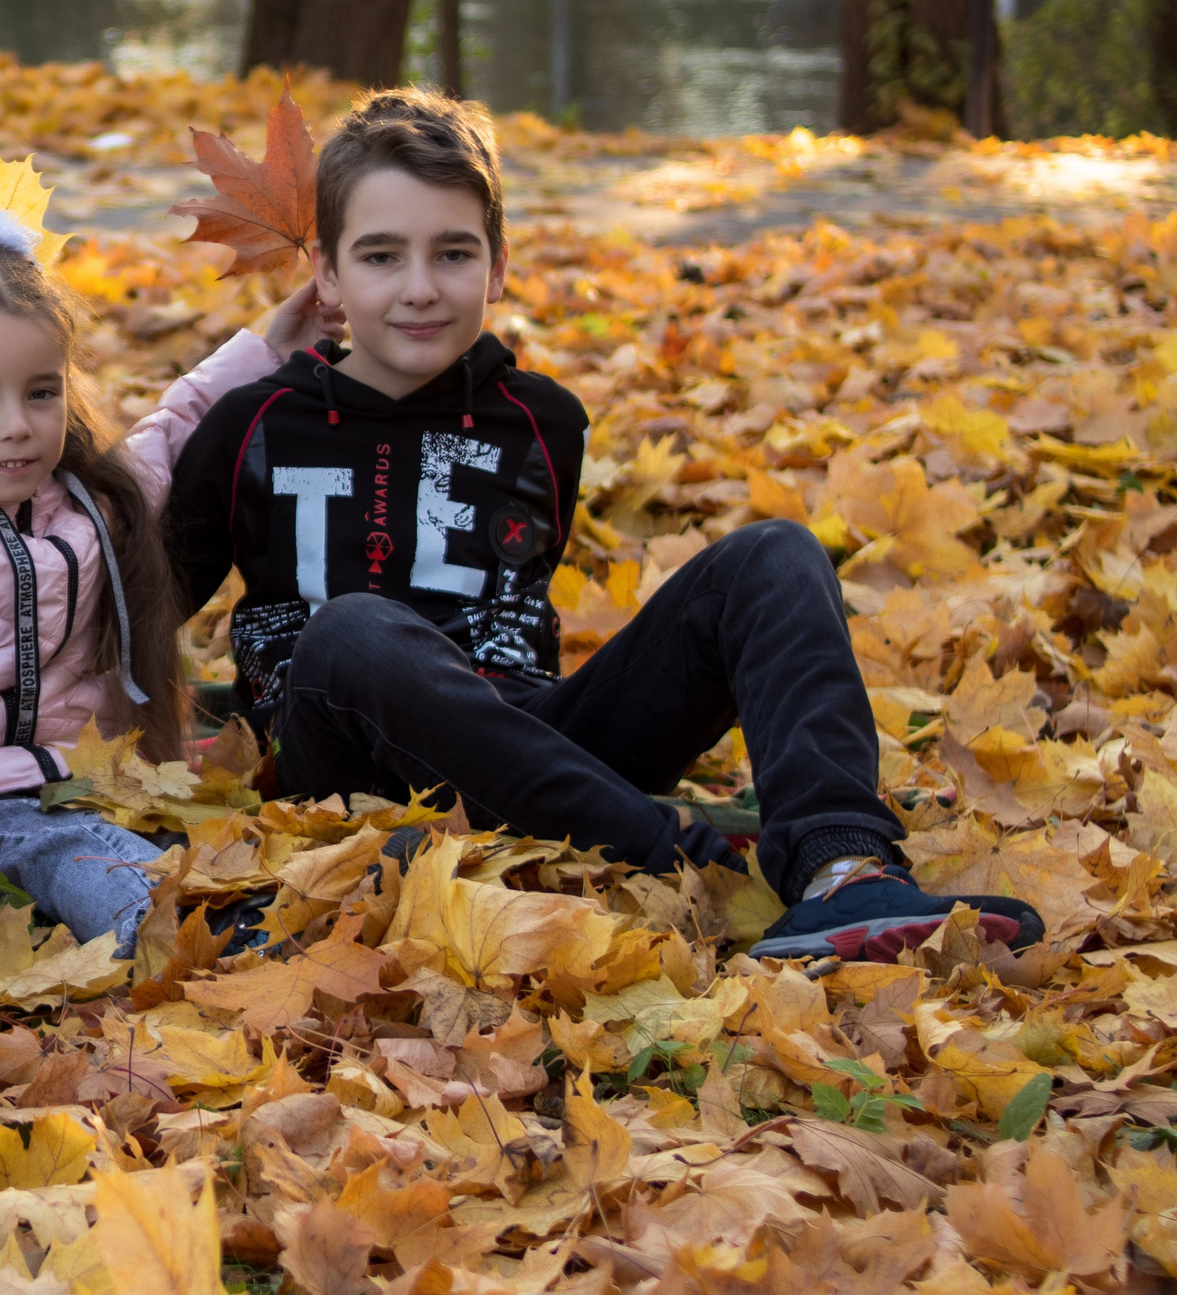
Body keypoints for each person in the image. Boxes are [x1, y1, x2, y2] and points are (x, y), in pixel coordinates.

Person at [161, 87, 1045, 963]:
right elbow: (129, 603)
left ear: (498, 266)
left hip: (544, 747)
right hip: (347, 772)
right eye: (382, 256)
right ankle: (692, 864)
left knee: (773, 554)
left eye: (455, 253)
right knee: (352, 630)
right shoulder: (252, 425)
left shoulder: (542, 422)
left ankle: (844, 869)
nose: (421, 288)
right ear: (326, 273)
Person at [0, 218, 328, 954]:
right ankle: (180, 936)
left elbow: (174, 430)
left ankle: (282, 901)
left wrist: (270, 347)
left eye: (40, 393)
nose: (17, 427)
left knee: (148, 829)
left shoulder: (85, 503)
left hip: (83, 783)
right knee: (65, 850)